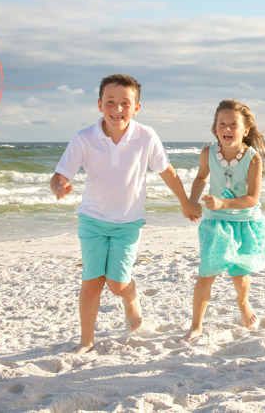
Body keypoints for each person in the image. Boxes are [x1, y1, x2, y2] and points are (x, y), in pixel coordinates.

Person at [50, 74, 201, 354]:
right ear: (99, 105)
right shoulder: (84, 138)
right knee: (93, 281)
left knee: (117, 283)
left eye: (124, 104)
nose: (117, 109)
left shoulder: (146, 136)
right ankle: (86, 341)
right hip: (92, 219)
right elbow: (60, 174)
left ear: (136, 108)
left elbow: (166, 171)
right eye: (110, 102)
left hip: (128, 222)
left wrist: (185, 202)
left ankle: (130, 296)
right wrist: (60, 185)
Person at [182, 99, 265, 341]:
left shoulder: (252, 159)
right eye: (221, 124)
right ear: (215, 128)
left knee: (239, 273)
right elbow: (201, 178)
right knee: (207, 273)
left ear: (245, 130)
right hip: (215, 222)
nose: (226, 128)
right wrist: (193, 202)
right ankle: (196, 325)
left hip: (244, 221)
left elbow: (252, 199)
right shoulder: (208, 154)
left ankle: (243, 302)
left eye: (233, 124)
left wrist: (224, 202)